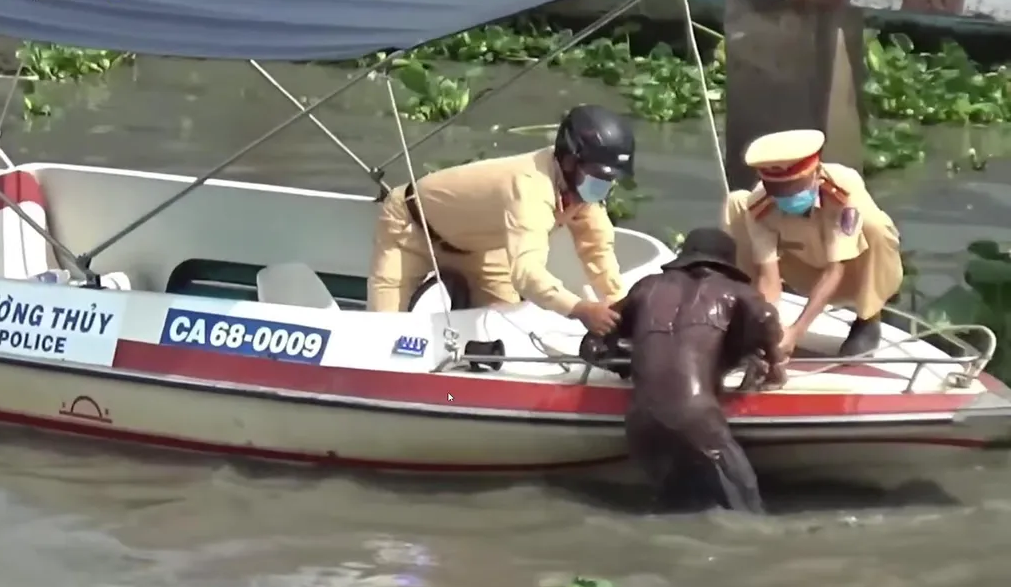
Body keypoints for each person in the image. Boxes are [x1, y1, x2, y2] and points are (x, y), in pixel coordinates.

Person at [367, 104, 636, 333]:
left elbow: (597, 248)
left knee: (508, 328)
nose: (602, 185)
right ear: (568, 161)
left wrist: (617, 301)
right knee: (383, 331)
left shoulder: (580, 191)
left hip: (483, 249)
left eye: (610, 180)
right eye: (597, 176)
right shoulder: (531, 186)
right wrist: (580, 309)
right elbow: (527, 273)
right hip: (412, 228)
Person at [580, 228, 786, 513]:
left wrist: (626, 364)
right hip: (697, 417)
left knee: (672, 505)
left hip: (640, 420)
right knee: (747, 508)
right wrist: (774, 362)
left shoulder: (646, 287)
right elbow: (765, 317)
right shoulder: (735, 290)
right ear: (727, 262)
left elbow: (595, 340)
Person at [722, 129, 904, 358]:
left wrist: (797, 331)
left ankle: (868, 317)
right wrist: (769, 325)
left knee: (875, 226)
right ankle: (750, 312)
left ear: (816, 173)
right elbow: (768, 275)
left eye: (793, 186)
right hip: (802, 270)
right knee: (737, 202)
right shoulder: (761, 203)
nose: (786, 195)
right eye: (777, 189)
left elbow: (836, 268)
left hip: (852, 270)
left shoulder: (843, 187)